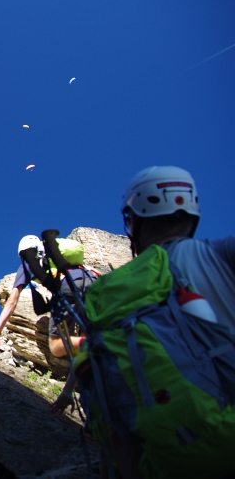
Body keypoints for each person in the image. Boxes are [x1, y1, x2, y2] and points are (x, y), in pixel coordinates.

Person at [53, 166, 235, 478]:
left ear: (132, 220)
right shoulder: (221, 255)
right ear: (191, 213)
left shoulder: (113, 292)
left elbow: (115, 413)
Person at [0, 235, 97, 355]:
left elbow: (12, 302)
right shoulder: (55, 254)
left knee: (57, 345)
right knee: (87, 332)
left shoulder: (28, 263)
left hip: (69, 286)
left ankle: (97, 344)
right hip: (92, 280)